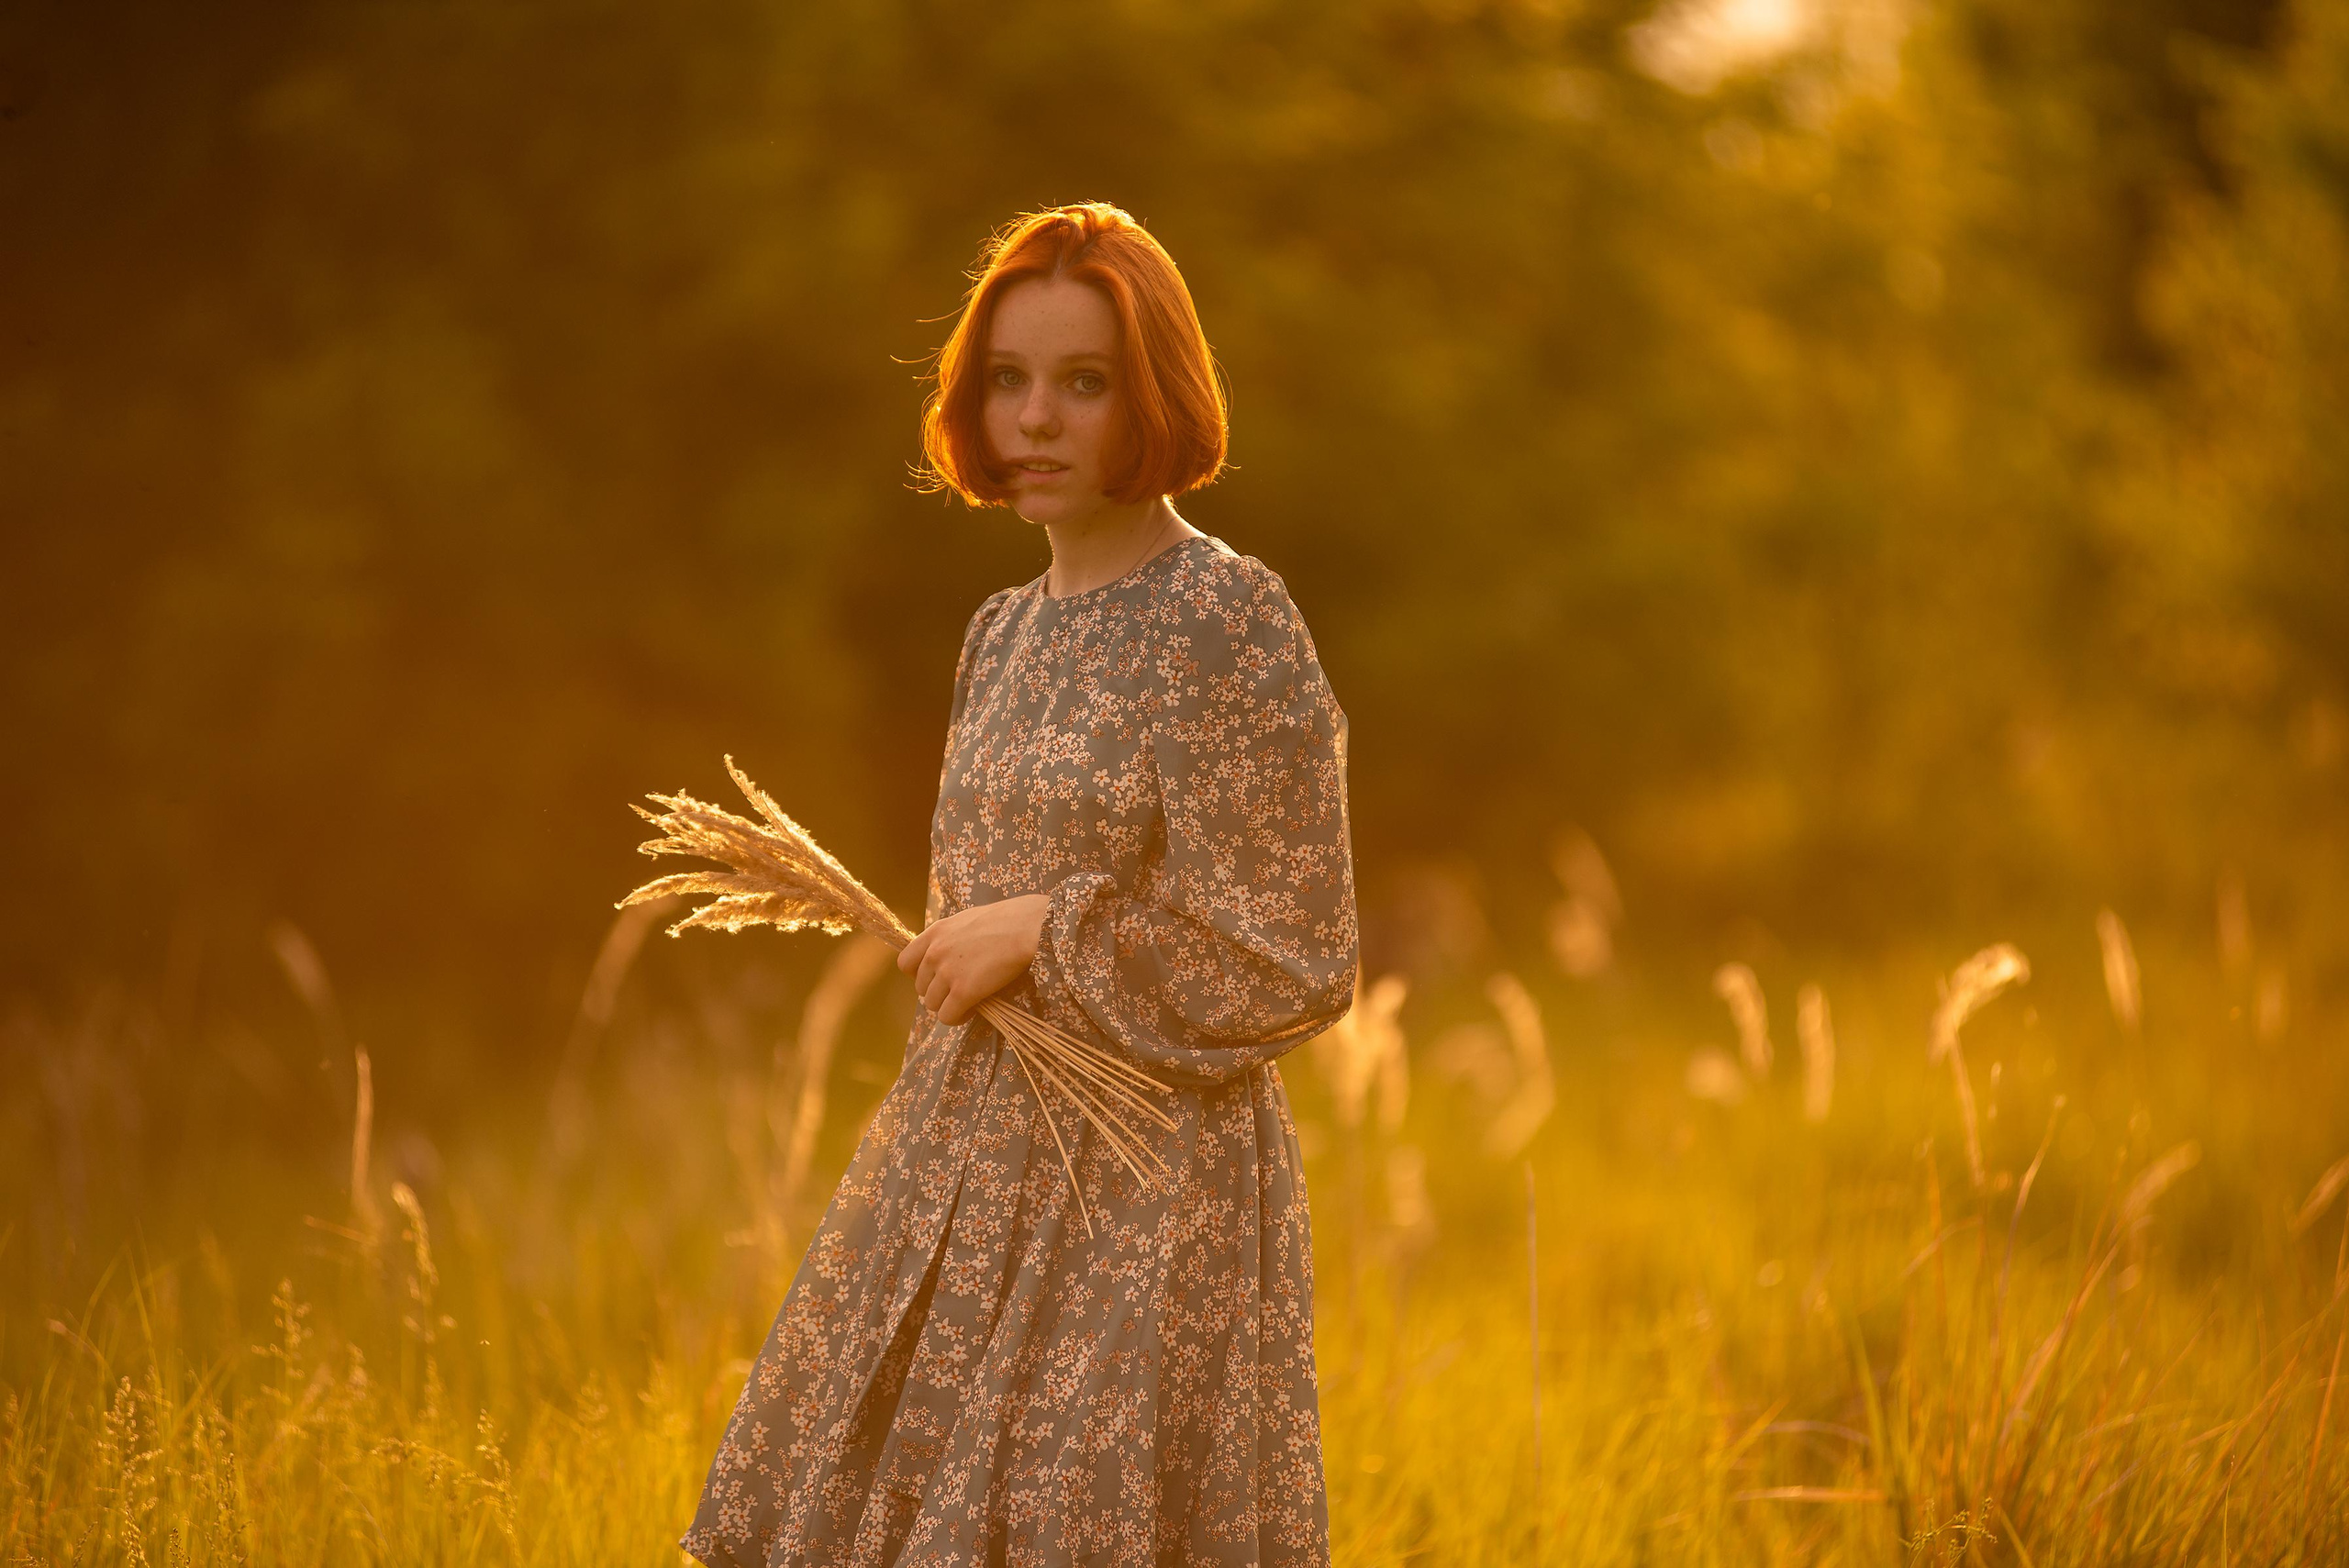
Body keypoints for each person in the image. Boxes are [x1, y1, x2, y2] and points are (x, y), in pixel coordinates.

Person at [682, 202, 1359, 1568]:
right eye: (1008, 379)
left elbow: (1297, 953)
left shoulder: (1224, 618)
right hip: (968, 1157)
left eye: (1084, 381)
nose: (1036, 419)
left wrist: (1053, 931)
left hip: (1149, 1190)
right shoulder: (998, 632)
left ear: (1152, 392)